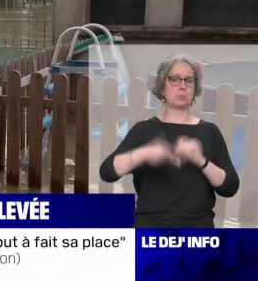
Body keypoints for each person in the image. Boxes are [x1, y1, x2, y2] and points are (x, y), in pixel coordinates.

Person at [99, 54, 240, 228]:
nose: (182, 86)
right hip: (150, 228)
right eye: (174, 79)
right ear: (162, 87)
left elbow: (230, 187)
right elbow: (107, 173)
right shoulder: (144, 130)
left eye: (189, 80)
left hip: (197, 230)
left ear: (194, 88)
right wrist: (144, 153)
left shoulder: (209, 132)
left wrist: (200, 161)